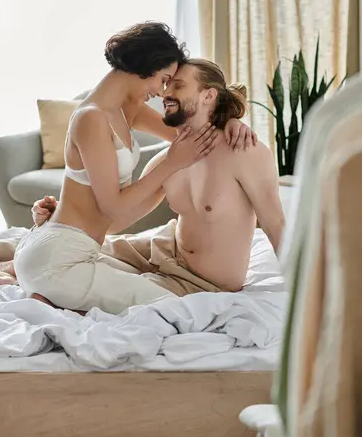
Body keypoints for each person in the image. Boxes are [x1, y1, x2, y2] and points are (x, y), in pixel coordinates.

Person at [0, 23, 256, 311]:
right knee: (173, 309)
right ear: (146, 65)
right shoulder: (90, 118)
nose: (162, 92)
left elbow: (191, 134)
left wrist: (231, 119)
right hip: (58, 258)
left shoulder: (126, 109)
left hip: (70, 249)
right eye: (164, 79)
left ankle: (49, 297)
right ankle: (42, 290)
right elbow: (114, 209)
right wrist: (170, 163)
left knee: (154, 288)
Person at [30, 59, 285, 297]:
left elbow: (275, 224)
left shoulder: (244, 152)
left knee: (66, 282)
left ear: (209, 95)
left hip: (201, 283)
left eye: (178, 85)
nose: (165, 94)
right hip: (161, 253)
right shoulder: (167, 161)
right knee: (71, 255)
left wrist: (306, 294)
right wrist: (62, 216)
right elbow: (116, 223)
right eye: (166, 85)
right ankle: (11, 263)